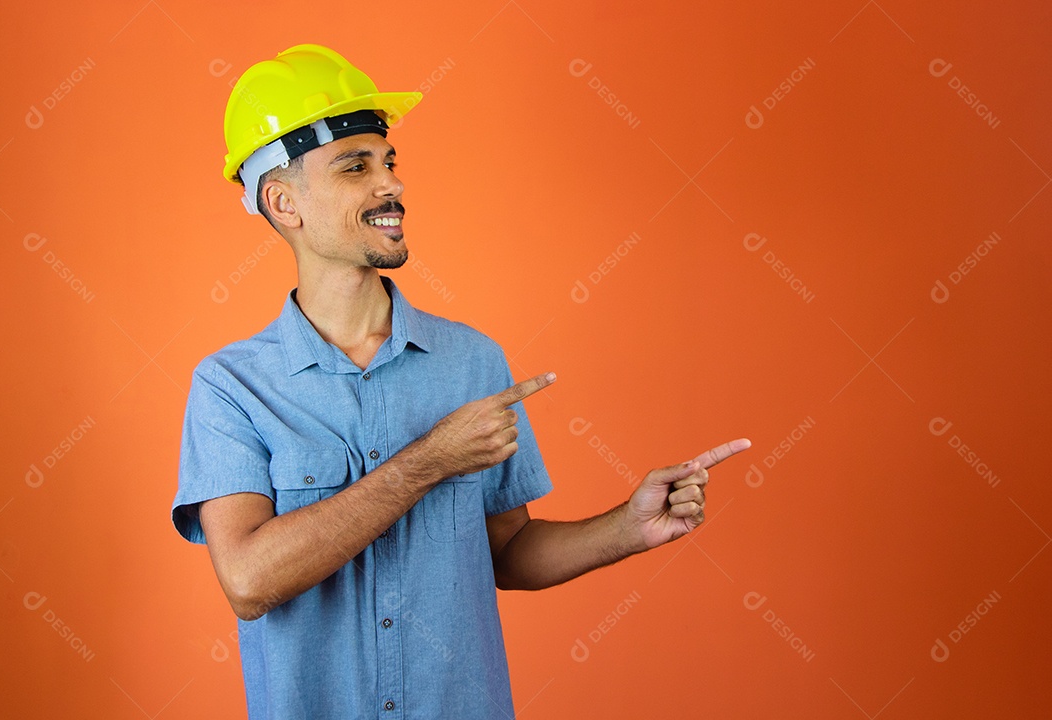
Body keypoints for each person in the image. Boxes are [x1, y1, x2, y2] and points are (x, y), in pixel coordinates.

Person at [172, 43, 751, 719]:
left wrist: (627, 527)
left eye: (389, 163)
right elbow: (249, 581)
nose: (391, 185)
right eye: (356, 167)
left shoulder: (472, 362)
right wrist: (431, 460)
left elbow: (507, 551)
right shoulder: (231, 387)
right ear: (283, 202)